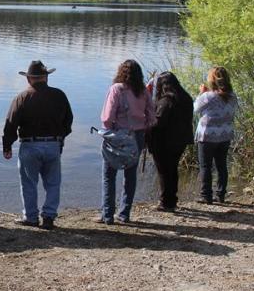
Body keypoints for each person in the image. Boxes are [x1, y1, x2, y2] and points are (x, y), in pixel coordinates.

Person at [2, 61, 73, 230]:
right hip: (53, 145)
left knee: (28, 183)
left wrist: (7, 145)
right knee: (53, 183)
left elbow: (11, 124)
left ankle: (31, 217)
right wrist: (60, 137)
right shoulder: (59, 95)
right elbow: (68, 120)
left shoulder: (22, 97)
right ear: (46, 77)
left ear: (28, 79)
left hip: (30, 145)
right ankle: (48, 217)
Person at [98, 59, 155, 224]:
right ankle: (124, 214)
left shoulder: (116, 89)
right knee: (130, 176)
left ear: (121, 73)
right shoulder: (143, 91)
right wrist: (142, 126)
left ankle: (107, 215)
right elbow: (152, 116)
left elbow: (107, 118)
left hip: (117, 136)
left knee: (109, 175)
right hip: (137, 136)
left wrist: (108, 131)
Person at [145, 72, 194, 211]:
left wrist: (146, 125)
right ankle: (172, 200)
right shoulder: (186, 98)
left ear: (163, 86)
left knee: (164, 171)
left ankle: (165, 202)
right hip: (181, 141)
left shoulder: (166, 101)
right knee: (172, 169)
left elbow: (158, 123)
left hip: (165, 143)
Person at [194, 66, 238, 204]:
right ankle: (221, 195)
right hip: (225, 135)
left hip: (208, 136)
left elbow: (195, 108)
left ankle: (206, 195)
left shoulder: (208, 96)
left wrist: (201, 93)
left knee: (206, 166)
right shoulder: (232, 96)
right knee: (221, 165)